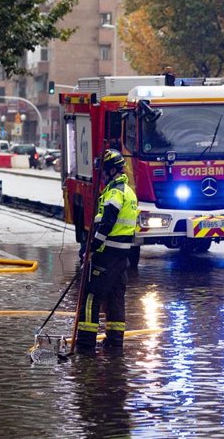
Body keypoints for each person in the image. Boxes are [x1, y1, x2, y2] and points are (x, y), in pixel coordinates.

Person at [76, 149, 138, 353]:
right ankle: (114, 344)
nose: (101, 175)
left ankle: (85, 345)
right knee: (115, 298)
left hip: (107, 254)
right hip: (122, 257)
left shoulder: (114, 193)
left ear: (112, 170)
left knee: (90, 297)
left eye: (103, 171)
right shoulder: (128, 191)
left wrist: (91, 248)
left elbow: (107, 224)